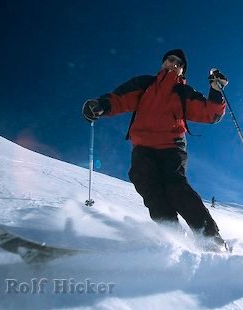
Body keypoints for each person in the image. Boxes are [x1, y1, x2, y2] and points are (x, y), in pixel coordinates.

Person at [82, 49, 229, 251]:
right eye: (171, 60)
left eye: (179, 64)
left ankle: (210, 239)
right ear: (163, 63)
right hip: (143, 147)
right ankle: (174, 237)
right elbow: (120, 99)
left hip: (171, 147)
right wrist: (101, 106)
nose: (174, 64)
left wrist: (216, 91)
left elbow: (209, 113)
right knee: (148, 186)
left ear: (182, 71)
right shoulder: (145, 85)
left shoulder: (184, 93)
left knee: (175, 186)